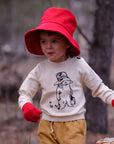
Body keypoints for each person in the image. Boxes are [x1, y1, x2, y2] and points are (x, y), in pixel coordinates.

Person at [18, 7, 114, 144]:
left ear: (68, 42)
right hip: (47, 125)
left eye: (54, 41)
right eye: (43, 41)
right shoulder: (40, 69)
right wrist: (26, 105)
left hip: (73, 126)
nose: (48, 46)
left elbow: (98, 87)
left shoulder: (78, 65)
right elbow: (25, 92)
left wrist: (112, 98)